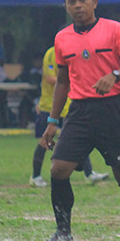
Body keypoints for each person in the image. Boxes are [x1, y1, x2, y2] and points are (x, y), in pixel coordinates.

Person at [36, 0, 120, 241]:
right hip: (79, 112)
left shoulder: (114, 29)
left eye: (82, 0)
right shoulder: (62, 38)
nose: (77, 5)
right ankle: (63, 236)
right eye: (71, 1)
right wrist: (53, 122)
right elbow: (62, 82)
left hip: (113, 109)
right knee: (58, 170)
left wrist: (115, 76)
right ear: (65, 6)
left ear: (94, 2)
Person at [30, 44, 109, 187]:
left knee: (77, 139)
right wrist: (75, 81)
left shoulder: (74, 52)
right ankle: (35, 176)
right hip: (50, 105)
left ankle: (89, 174)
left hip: (68, 105)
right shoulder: (51, 53)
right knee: (46, 141)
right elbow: (50, 78)